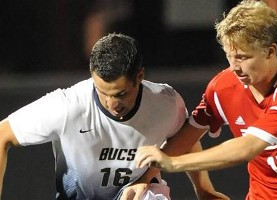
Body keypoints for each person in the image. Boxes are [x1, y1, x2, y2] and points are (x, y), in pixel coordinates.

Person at [0, 33, 227, 199]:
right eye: (102, 92)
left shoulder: (165, 102)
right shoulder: (67, 106)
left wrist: (204, 190)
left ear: (139, 76)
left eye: (120, 94)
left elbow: (185, 139)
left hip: (143, 191)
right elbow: (3, 134)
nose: (111, 104)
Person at [135, 0, 277, 199]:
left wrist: (173, 164)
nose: (234, 67)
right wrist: (144, 179)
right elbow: (188, 136)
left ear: (270, 51)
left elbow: (247, 147)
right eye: (229, 56)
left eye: (243, 57)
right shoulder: (223, 86)